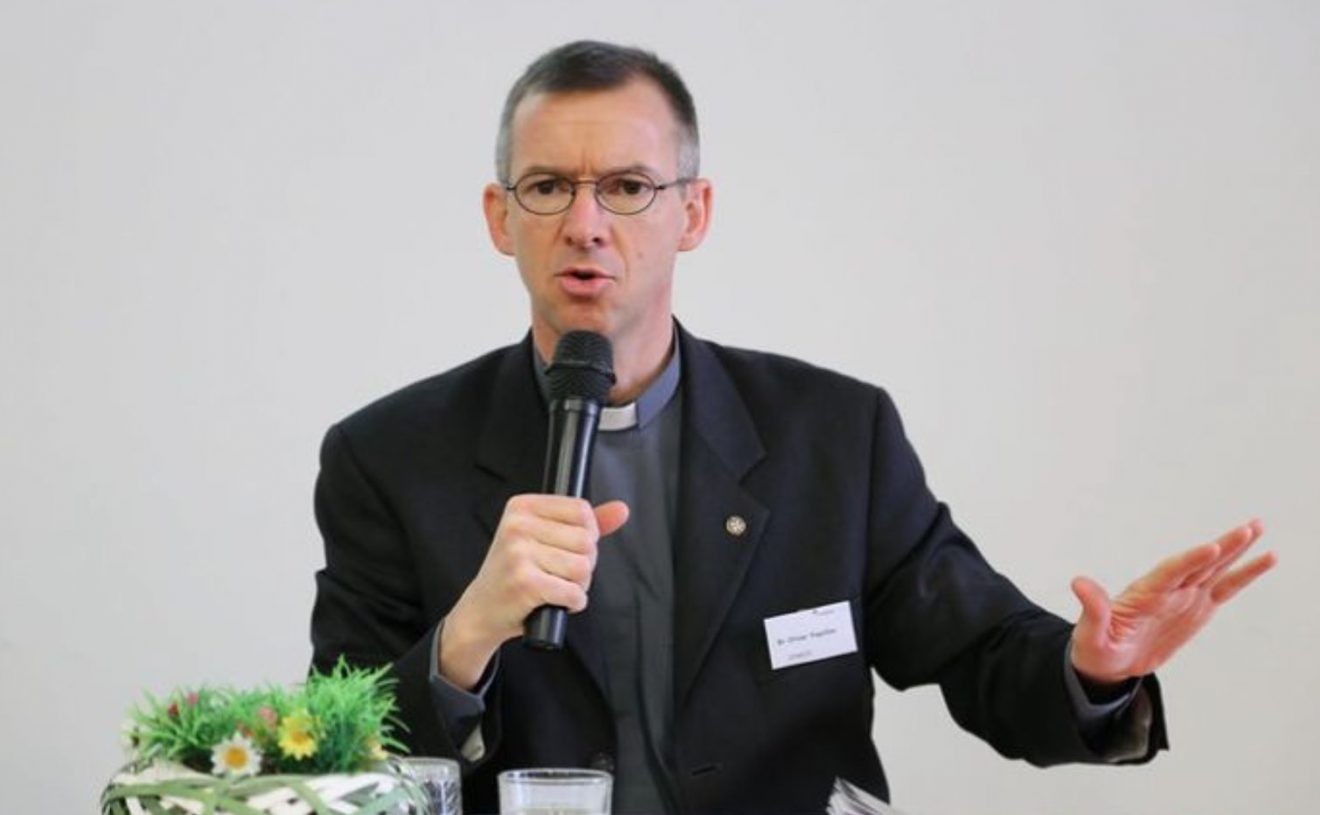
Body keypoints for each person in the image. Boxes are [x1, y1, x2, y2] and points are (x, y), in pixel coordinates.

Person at [310, 40, 1277, 814]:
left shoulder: (834, 436)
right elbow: (338, 761)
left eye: (630, 186)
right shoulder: (388, 457)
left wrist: (1092, 670)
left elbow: (981, 651)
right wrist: (466, 637)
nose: (587, 223)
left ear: (694, 212)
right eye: (549, 186)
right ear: (500, 216)